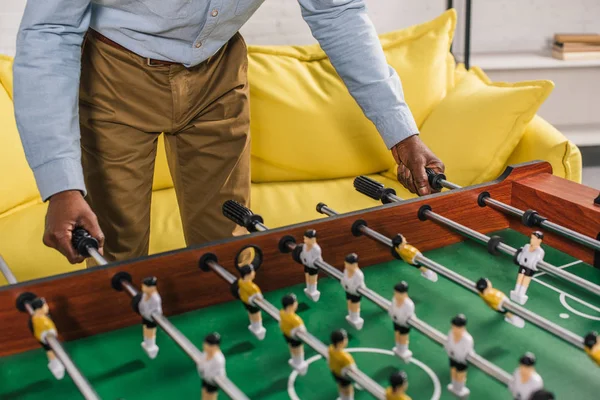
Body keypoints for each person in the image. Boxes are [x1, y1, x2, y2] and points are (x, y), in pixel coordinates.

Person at [14, 0, 445, 265]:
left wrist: (402, 134)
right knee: (116, 253)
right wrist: (61, 187)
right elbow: (48, 29)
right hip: (111, 73)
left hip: (218, 72)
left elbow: (337, 10)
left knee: (231, 245)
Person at [28, 297, 65, 379]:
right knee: (50, 349)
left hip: (44, 336)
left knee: (50, 350)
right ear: (39, 308)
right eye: (45, 305)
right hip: (45, 336)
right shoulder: (41, 321)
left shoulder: (37, 318)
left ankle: (55, 364)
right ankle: (56, 366)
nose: (47, 307)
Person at [511, 232, 545, 305]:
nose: (531, 240)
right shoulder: (526, 246)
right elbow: (521, 252)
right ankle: (516, 291)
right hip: (523, 265)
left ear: (539, 240)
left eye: (534, 238)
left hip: (530, 268)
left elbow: (538, 260)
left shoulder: (540, 251)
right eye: (531, 238)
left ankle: (521, 294)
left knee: (526, 279)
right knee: (520, 277)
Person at [444, 314, 473, 398]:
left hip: (461, 360)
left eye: (457, 327)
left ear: (462, 327)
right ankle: (454, 386)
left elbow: (464, 353)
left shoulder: (467, 339)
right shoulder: (451, 333)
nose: (454, 329)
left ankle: (459, 389)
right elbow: (448, 343)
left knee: (460, 374)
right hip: (452, 357)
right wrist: (450, 352)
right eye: (454, 326)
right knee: (453, 371)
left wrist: (454, 354)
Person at [279, 293, 308, 375]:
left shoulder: (281, 312)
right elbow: (303, 330)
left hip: (286, 334)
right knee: (298, 349)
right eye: (295, 302)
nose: (297, 304)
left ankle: (295, 360)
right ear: (290, 305)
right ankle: (299, 362)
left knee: (291, 347)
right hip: (294, 337)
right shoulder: (296, 319)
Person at [237, 264, 266, 340]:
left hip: (245, 302)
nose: (254, 273)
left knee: (251, 313)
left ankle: (253, 326)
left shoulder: (241, 281)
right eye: (253, 271)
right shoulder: (253, 287)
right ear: (248, 274)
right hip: (252, 304)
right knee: (256, 315)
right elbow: (260, 298)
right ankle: (258, 328)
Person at [136, 276, 162, 359]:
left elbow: (157, 311)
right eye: (143, 286)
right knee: (145, 329)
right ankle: (147, 343)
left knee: (150, 332)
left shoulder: (155, 299)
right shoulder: (145, 294)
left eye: (145, 286)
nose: (143, 288)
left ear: (152, 288)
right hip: (145, 316)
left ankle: (151, 346)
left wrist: (149, 315)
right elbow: (142, 304)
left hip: (151, 319)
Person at [388, 281, 415, 362]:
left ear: (404, 294)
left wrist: (401, 320)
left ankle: (403, 350)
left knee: (403, 336)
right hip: (396, 320)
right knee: (397, 334)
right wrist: (392, 316)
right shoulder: (394, 300)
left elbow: (408, 316)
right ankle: (398, 348)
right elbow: (391, 309)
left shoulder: (409, 304)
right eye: (395, 293)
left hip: (404, 324)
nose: (396, 295)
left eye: (398, 293)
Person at [328, 329, 356, 400]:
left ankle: (342, 398)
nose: (347, 340)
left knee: (340, 386)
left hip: (334, 372)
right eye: (345, 339)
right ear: (340, 343)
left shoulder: (330, 348)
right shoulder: (346, 357)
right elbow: (353, 369)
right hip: (344, 377)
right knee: (348, 389)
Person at [340, 253, 365, 330]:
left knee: (355, 305)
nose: (346, 266)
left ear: (354, 264)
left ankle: (355, 317)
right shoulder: (346, 271)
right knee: (349, 302)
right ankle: (351, 316)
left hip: (355, 293)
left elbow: (357, 286)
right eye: (346, 264)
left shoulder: (359, 275)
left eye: (348, 264)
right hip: (348, 290)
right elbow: (343, 279)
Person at [198, 332, 226, 400]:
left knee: (211, 397)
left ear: (215, 346)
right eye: (205, 343)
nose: (205, 345)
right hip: (205, 377)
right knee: (204, 393)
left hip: (212, 381)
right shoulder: (205, 353)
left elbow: (215, 375)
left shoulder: (218, 360)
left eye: (208, 344)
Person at [299, 229, 323, 302]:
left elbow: (315, 260)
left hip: (313, 267)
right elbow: (303, 254)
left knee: (312, 278)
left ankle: (313, 290)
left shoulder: (316, 249)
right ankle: (308, 288)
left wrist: (308, 262)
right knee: (307, 275)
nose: (305, 240)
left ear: (313, 239)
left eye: (306, 239)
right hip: (306, 264)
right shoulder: (304, 246)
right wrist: (304, 260)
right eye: (304, 238)